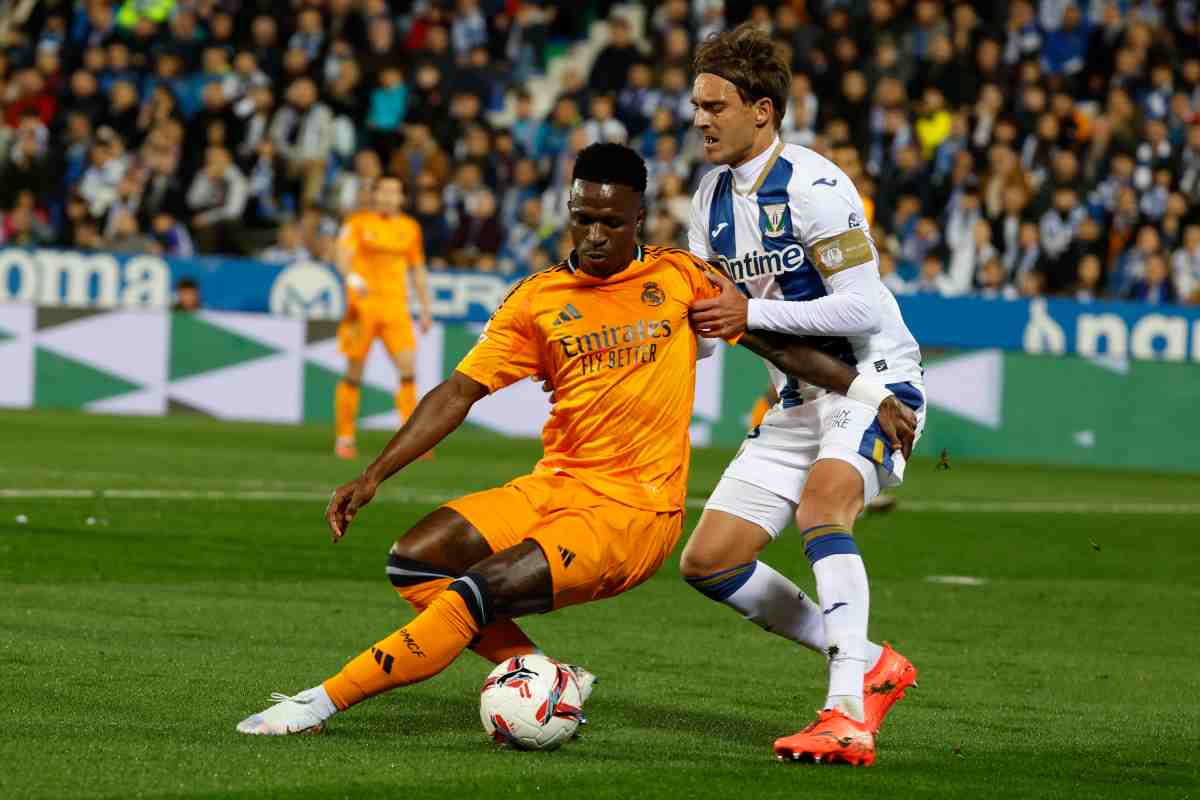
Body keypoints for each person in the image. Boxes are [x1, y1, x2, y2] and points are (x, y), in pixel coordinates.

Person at [235, 143, 917, 737]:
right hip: (557, 486)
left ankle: (320, 702)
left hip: (633, 513)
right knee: (415, 563)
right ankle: (544, 677)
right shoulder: (536, 299)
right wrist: (375, 472)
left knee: (475, 591)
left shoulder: (679, 278)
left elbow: (776, 346)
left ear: (639, 219)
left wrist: (869, 395)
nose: (594, 235)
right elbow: (457, 392)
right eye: (582, 218)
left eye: (610, 222)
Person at [683, 24, 927, 767]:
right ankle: (868, 659)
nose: (700, 120)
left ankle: (846, 709)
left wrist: (747, 311)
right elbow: (712, 324)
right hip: (797, 397)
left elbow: (861, 307)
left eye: (714, 105)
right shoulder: (707, 201)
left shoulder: (817, 185)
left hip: (875, 381)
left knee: (824, 508)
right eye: (695, 105)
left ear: (762, 110)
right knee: (710, 561)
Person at [333, 176, 432, 460]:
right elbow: (341, 253)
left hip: (395, 308)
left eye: (395, 192)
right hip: (362, 307)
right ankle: (345, 436)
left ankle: (411, 439)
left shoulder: (410, 228)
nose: (390, 197)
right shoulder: (358, 223)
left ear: (401, 197)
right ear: (374, 195)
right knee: (354, 373)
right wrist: (350, 275)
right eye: (385, 191)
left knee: (408, 368)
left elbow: (418, 269)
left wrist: (425, 308)